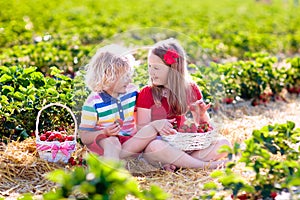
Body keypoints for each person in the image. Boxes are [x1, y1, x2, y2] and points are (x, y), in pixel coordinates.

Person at [135, 38, 231, 170]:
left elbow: (204, 128)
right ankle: (204, 166)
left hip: (185, 145)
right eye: (149, 66)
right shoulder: (146, 93)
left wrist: (202, 115)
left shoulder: (190, 89)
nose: (151, 72)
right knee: (155, 147)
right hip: (159, 147)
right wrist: (156, 126)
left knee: (224, 144)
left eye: (156, 68)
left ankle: (180, 164)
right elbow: (141, 129)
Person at [79, 45, 163, 160]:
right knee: (112, 141)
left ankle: (116, 158)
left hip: (129, 142)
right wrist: (105, 132)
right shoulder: (93, 102)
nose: (129, 80)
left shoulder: (132, 91)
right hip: (104, 143)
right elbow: (84, 136)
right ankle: (111, 168)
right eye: (125, 77)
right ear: (108, 76)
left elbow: (142, 114)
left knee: (151, 130)